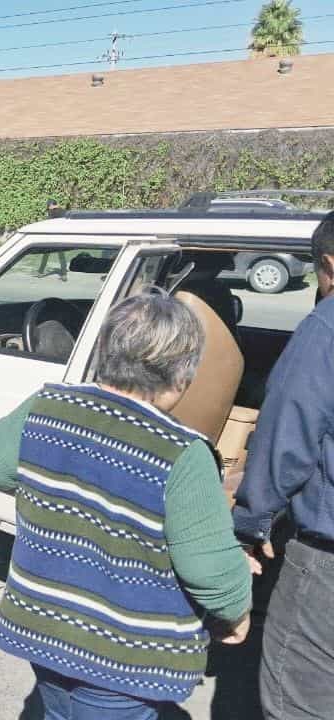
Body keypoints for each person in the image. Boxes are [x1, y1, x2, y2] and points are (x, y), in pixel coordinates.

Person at [0, 291, 253, 720]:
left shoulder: (48, 406)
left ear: (105, 350)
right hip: (122, 657)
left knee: (58, 710)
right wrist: (236, 609)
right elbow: (207, 567)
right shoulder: (181, 451)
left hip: (44, 629)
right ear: (183, 375)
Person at [233, 211, 334, 719]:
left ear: (330, 264)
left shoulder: (326, 328)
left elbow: (286, 440)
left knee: (298, 699)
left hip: (327, 561)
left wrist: (251, 522)